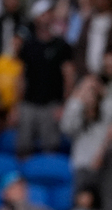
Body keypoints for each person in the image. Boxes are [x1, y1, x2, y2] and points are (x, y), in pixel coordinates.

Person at [15, 0, 75, 155]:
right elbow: (21, 76)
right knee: (23, 147)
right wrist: (17, 105)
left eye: (49, 13)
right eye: (42, 14)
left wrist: (64, 104)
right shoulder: (28, 46)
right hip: (29, 102)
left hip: (51, 104)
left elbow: (68, 76)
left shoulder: (61, 45)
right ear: (36, 18)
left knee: (51, 147)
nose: (46, 18)